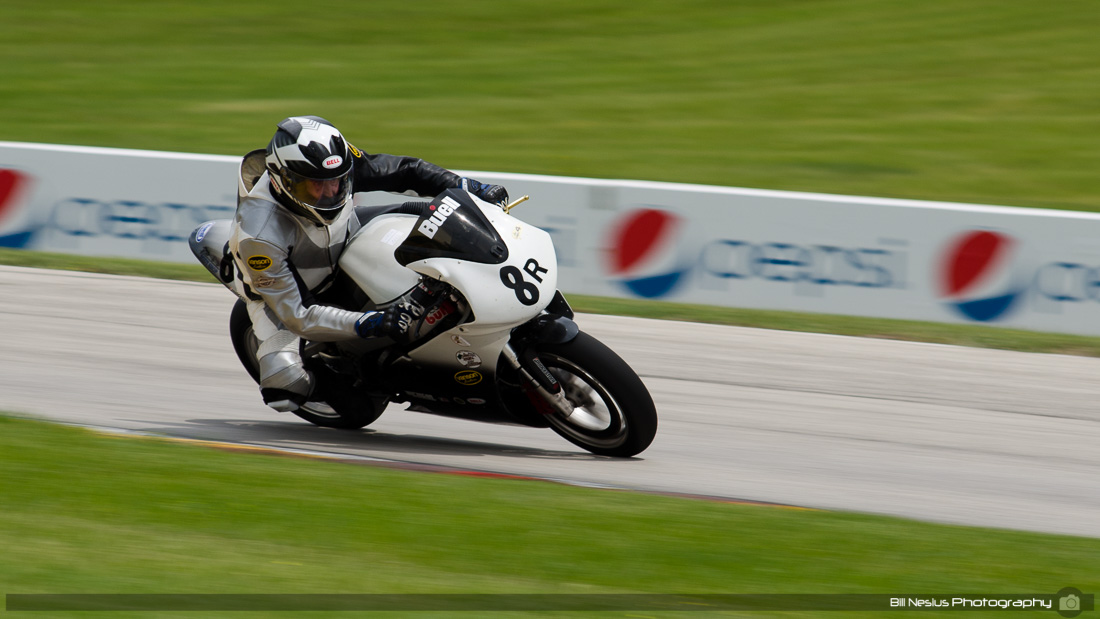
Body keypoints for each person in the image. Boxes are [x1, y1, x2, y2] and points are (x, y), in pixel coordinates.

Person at [229, 115, 508, 412]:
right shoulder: (258, 236)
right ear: (283, 180)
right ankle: (342, 383)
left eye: (337, 183)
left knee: (434, 216)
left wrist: (467, 186)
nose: (329, 193)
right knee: (284, 387)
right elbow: (299, 316)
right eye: (315, 187)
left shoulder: (335, 164)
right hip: (285, 296)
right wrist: (373, 323)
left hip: (344, 232)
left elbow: (405, 171)